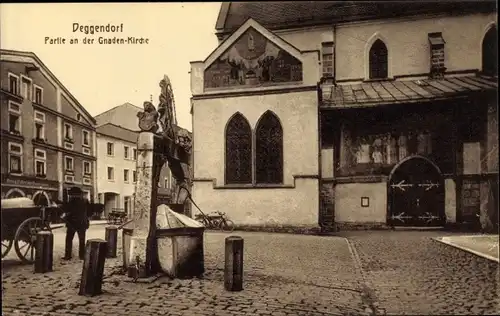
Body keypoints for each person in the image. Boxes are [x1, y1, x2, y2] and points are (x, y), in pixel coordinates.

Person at [62, 187, 90, 260]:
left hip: (72, 223)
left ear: (73, 194)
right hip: (82, 223)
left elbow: (68, 211)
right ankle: (82, 255)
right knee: (82, 240)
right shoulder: (85, 201)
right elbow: (90, 212)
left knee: (68, 239)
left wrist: (65, 217)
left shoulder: (71, 201)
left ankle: (68, 255)